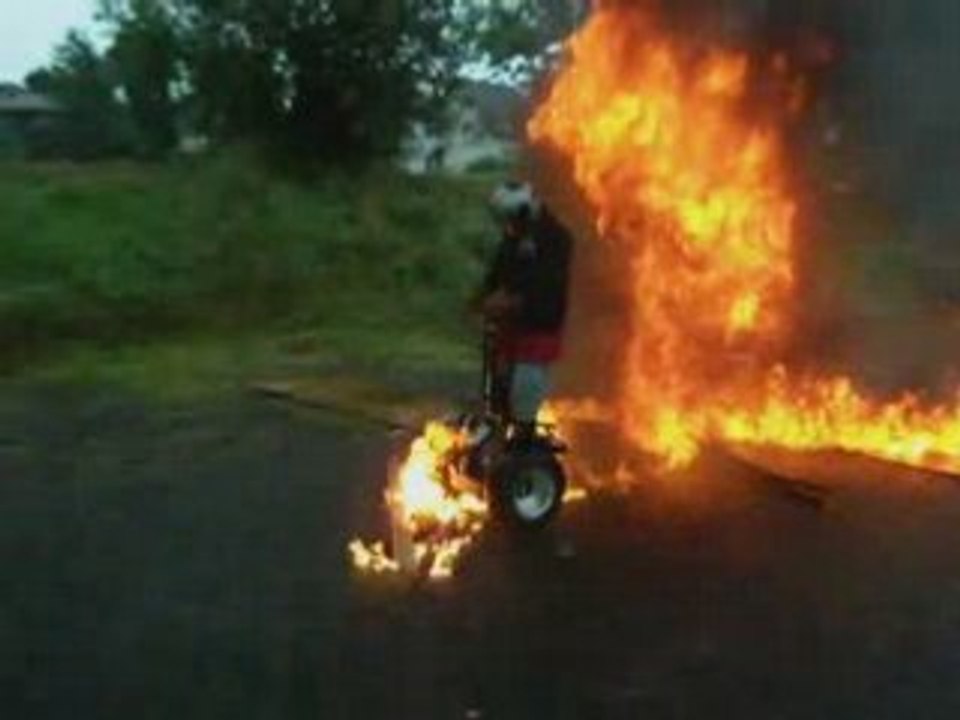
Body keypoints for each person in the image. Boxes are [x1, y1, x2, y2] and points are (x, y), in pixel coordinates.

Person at [474, 180, 573, 436]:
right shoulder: (515, 233)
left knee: (527, 377)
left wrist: (515, 302)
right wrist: (481, 299)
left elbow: (548, 286)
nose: (506, 224)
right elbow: (500, 267)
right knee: (500, 375)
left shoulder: (554, 238)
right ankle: (500, 424)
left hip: (540, 322)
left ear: (523, 210)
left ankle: (525, 434)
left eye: (509, 217)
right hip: (514, 323)